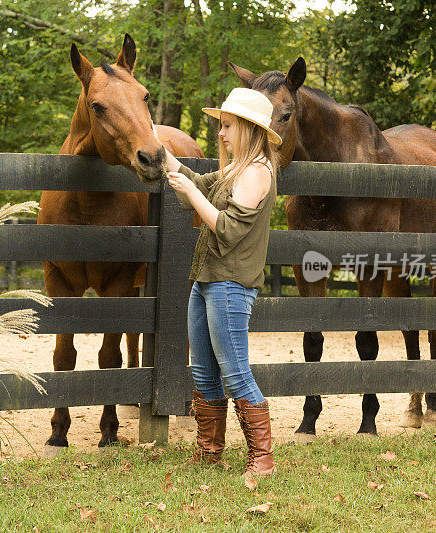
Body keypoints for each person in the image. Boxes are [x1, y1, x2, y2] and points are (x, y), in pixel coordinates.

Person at [154, 87, 282, 482]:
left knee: (236, 371)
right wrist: (158, 151)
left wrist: (192, 193)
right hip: (206, 278)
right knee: (204, 371)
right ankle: (210, 451)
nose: (220, 134)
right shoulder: (234, 170)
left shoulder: (258, 172)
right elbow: (193, 179)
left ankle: (263, 458)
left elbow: (225, 229)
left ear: (247, 128)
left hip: (230, 284)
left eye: (227, 126)